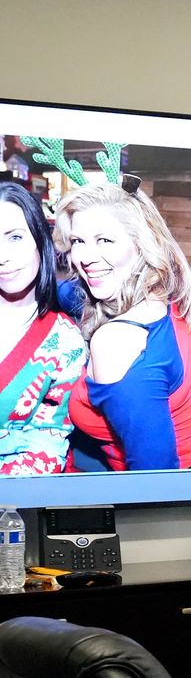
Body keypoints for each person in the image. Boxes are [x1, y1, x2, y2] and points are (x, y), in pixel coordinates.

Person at [58, 178, 191, 471]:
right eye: (78, 241)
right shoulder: (164, 296)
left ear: (142, 244)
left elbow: (155, 478)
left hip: (180, 485)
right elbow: (66, 292)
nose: (85, 258)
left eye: (105, 240)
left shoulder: (116, 342)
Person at [0, 181, 85, 473]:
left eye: (14, 237)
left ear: (40, 240)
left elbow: (45, 443)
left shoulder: (65, 342)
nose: (2, 256)